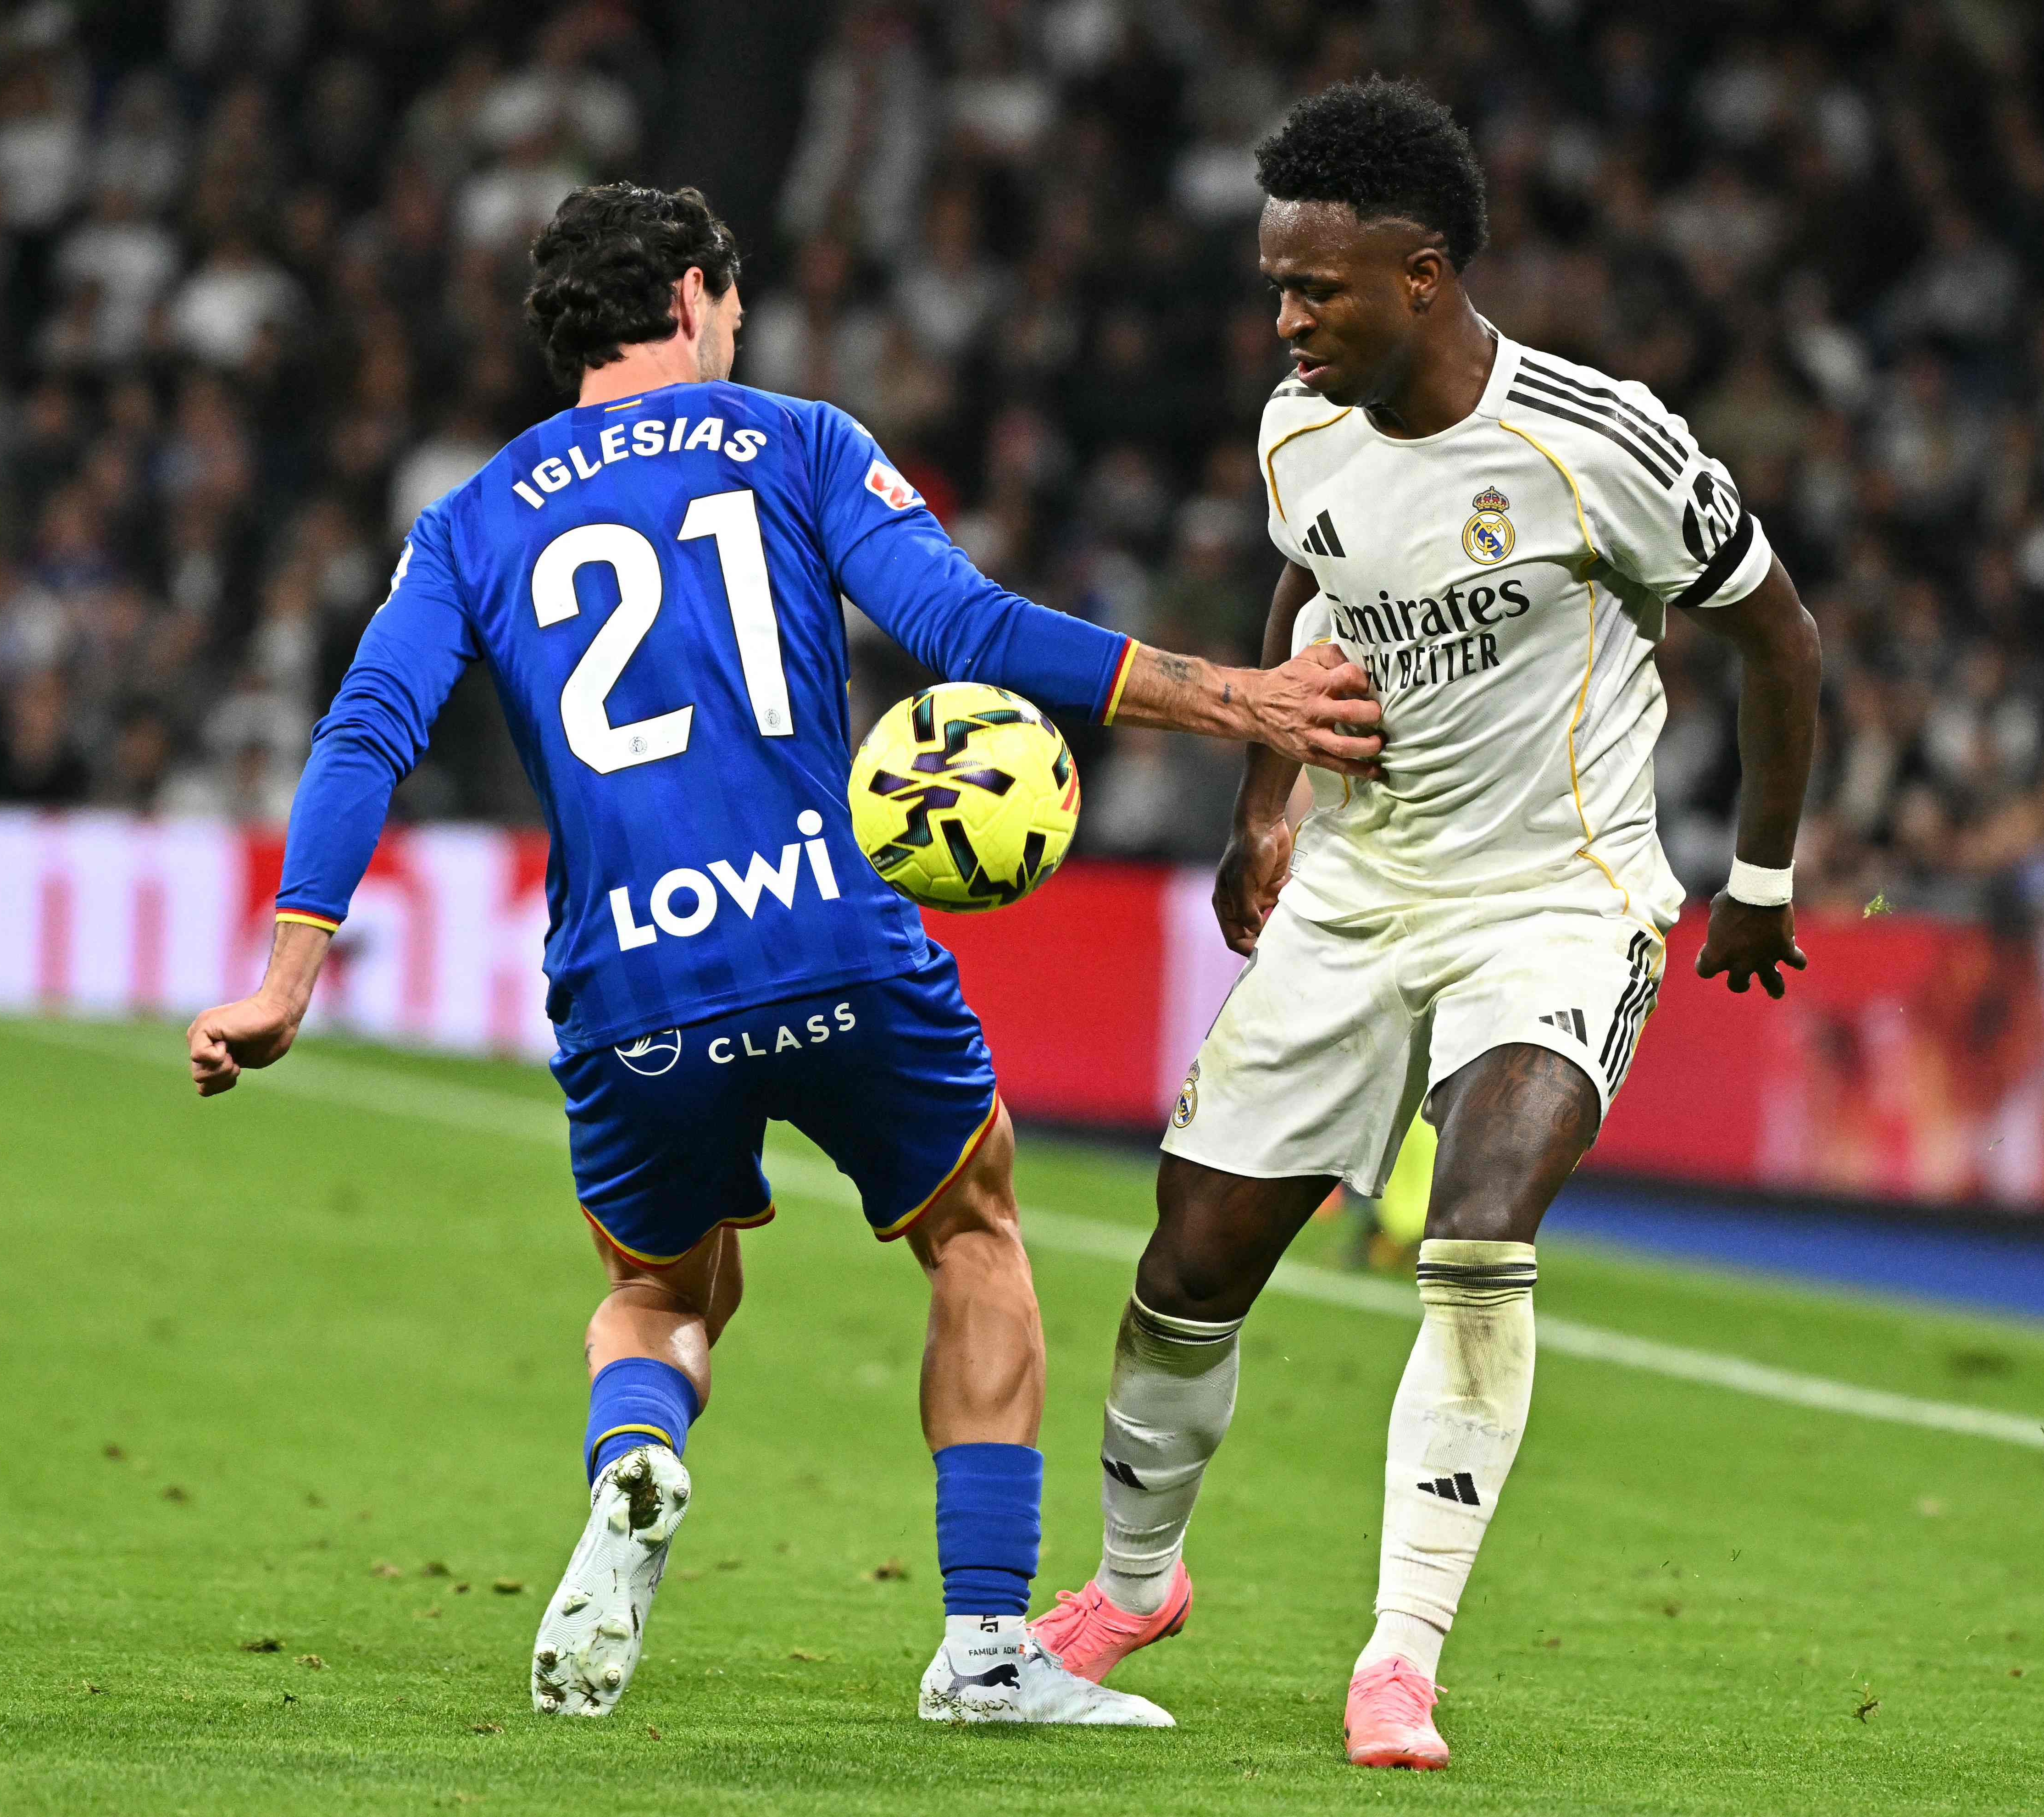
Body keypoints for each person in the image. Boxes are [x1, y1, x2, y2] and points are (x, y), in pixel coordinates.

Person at [181, 183, 1382, 1728]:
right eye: (731, 308)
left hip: (629, 980)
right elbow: (965, 627)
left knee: (658, 1289)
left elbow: (365, 736)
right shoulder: (794, 438)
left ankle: (636, 1457)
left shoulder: (470, 517)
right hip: (834, 936)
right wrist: (1247, 700)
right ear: (693, 295)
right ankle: (988, 1650)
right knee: (974, 1227)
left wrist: (288, 977)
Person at [1027, 81, 1822, 1770]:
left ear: (1423, 274)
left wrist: (1756, 879)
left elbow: (1779, 635)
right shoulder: (1296, 433)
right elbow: (1303, 583)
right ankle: (1133, 1584)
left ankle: (1401, 1655)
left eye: (1316, 289)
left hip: (1559, 895)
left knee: (1473, 1232)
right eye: (1274, 287)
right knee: (1190, 1265)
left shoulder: (1599, 442)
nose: (1286, 319)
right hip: (1362, 894)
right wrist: (1266, 803)